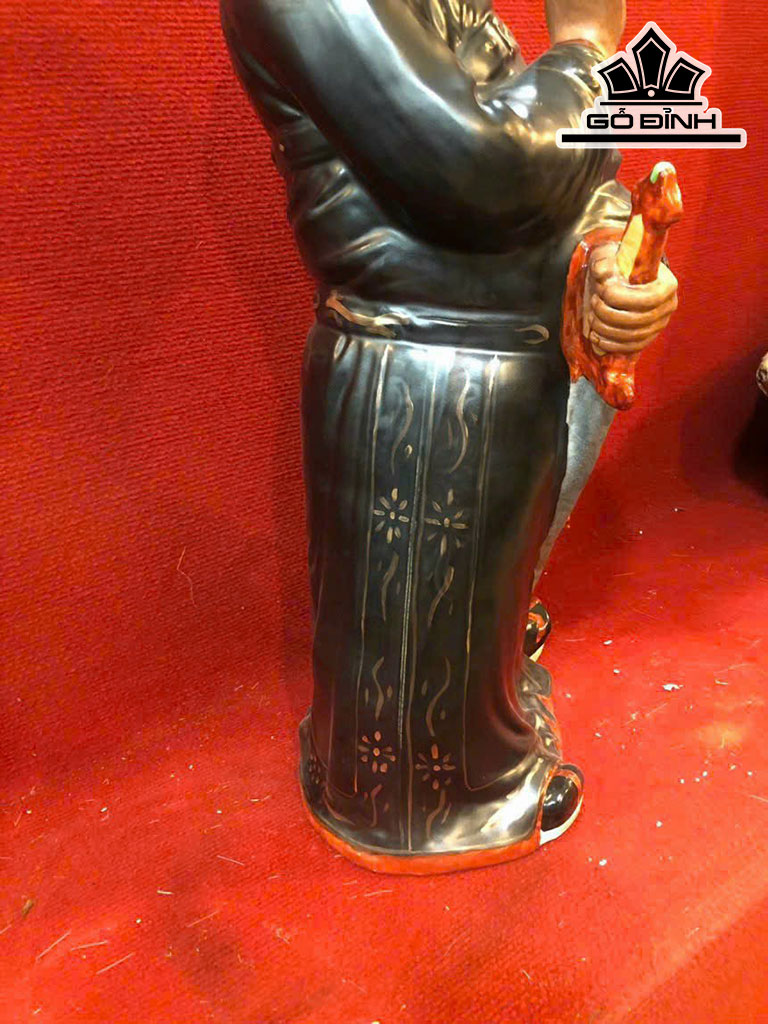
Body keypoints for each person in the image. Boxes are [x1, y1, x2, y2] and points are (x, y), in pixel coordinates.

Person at [221, 0, 678, 872]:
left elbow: (557, 166)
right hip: (421, 366)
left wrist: (610, 247)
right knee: (417, 647)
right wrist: (586, 45)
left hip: (514, 351)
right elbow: (483, 166)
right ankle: (426, 807)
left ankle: (487, 720)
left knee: (488, 596)